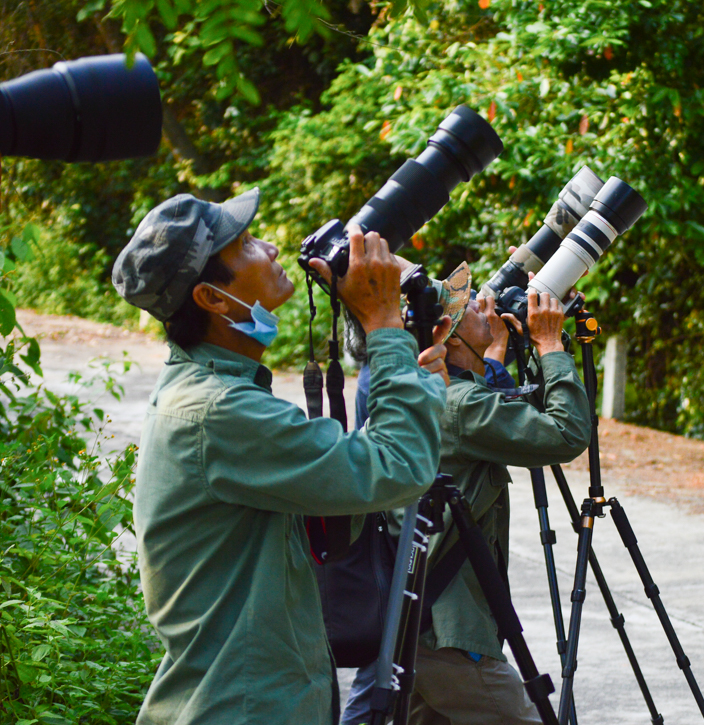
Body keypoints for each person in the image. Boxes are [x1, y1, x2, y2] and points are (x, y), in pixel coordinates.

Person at [110, 187, 450, 725]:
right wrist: (384, 326)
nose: (269, 248)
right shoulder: (218, 412)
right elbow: (399, 468)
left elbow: (354, 487)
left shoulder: (213, 391)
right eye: (245, 244)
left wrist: (410, 369)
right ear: (213, 300)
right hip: (242, 709)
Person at [339, 272, 592, 725]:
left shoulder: (435, 395)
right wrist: (551, 345)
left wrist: (523, 345)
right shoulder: (458, 406)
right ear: (446, 337)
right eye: (474, 310)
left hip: (418, 627)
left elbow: (515, 410)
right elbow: (565, 433)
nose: (488, 310)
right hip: (448, 634)